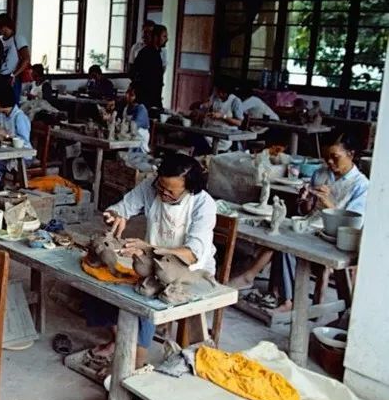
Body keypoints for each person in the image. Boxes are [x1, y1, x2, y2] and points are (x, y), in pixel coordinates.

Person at [84, 154, 217, 372]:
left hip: (189, 271)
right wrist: (115, 215)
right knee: (99, 280)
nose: (163, 193)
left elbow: (193, 254)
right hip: (153, 261)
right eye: (161, 187)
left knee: (144, 294)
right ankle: (121, 340)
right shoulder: (152, 186)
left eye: (170, 192)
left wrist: (149, 249)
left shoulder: (203, 204)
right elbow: (123, 206)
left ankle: (137, 361)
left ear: (189, 188)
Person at [229, 135, 368, 312]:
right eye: (326, 157)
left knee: (287, 244)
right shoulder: (321, 173)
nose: (330, 162)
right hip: (310, 225)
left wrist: (329, 204)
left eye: (335, 157)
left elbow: (352, 224)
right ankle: (268, 287)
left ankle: (285, 299)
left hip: (334, 235)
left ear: (351, 154)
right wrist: (306, 201)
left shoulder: (361, 185)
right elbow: (305, 211)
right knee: (275, 229)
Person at [195, 82, 244, 153]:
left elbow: (239, 123)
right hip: (211, 130)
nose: (217, 94)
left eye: (219, 92)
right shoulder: (215, 98)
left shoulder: (235, 101)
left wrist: (222, 116)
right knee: (195, 137)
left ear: (225, 93)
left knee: (201, 142)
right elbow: (207, 107)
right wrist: (202, 110)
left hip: (225, 135)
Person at [0, 13, 31, 104]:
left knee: (12, 104)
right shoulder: (0, 41)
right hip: (0, 76)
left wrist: (14, 75)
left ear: (4, 26)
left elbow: (26, 59)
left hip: (12, 76)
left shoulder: (18, 39)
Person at [130, 25, 167, 111]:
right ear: (156, 37)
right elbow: (135, 73)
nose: (166, 39)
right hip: (145, 98)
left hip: (154, 97)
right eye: (164, 36)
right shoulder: (146, 53)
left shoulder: (157, 53)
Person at [119, 84, 150, 153]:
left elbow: (133, 127)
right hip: (127, 139)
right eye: (127, 92)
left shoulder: (141, 109)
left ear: (138, 96)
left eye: (131, 94)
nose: (126, 95)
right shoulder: (127, 107)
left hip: (138, 142)